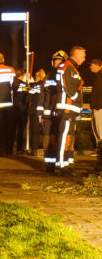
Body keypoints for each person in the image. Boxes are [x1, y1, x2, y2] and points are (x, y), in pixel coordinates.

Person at [53, 45, 86, 175]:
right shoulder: (66, 66)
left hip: (71, 108)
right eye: (83, 56)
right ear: (76, 55)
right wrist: (75, 97)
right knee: (64, 136)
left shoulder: (71, 68)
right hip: (67, 107)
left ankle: (65, 164)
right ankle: (61, 165)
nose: (84, 59)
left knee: (68, 137)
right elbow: (66, 84)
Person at [43, 51, 66, 170]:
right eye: (56, 61)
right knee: (47, 138)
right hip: (48, 113)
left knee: (59, 138)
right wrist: (41, 110)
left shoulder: (65, 75)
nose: (57, 63)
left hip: (60, 112)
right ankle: (48, 164)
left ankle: (59, 163)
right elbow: (43, 93)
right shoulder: (48, 75)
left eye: (60, 61)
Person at [26, 69, 47, 156]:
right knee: (46, 132)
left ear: (38, 77)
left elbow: (28, 98)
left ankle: (34, 150)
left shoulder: (35, 86)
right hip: (46, 111)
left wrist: (28, 88)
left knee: (34, 131)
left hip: (35, 111)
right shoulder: (46, 86)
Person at [13, 69, 32, 154]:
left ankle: (9, 148)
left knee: (12, 130)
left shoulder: (11, 84)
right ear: (21, 76)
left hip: (12, 109)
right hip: (21, 110)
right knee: (20, 131)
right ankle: (19, 149)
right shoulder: (24, 85)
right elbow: (28, 97)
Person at [88, 59, 102, 153]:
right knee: (97, 131)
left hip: (99, 108)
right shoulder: (98, 77)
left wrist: (97, 105)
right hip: (97, 107)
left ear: (97, 66)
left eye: (92, 65)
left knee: (99, 131)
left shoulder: (100, 77)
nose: (90, 67)